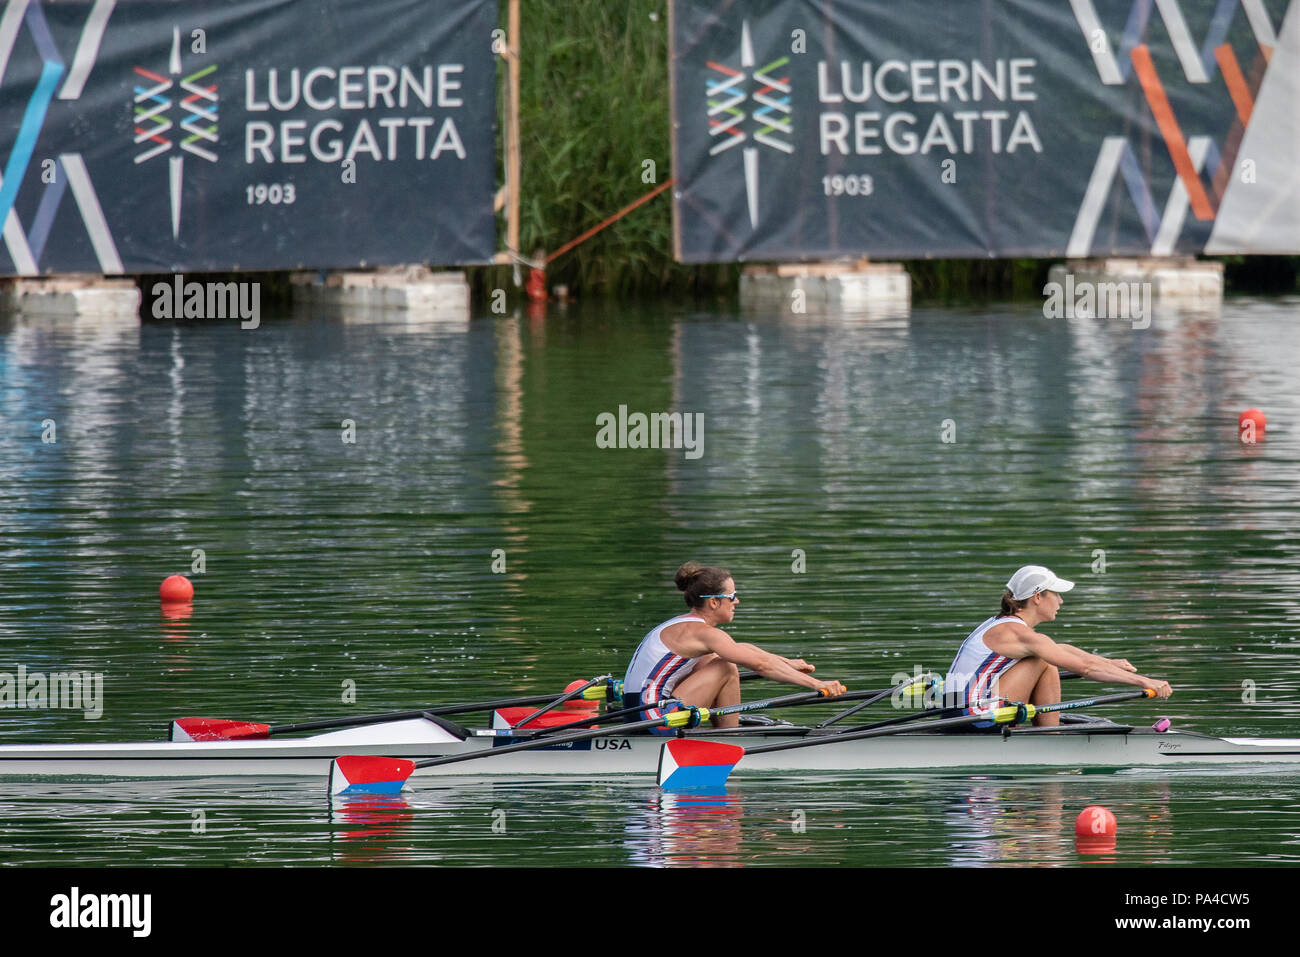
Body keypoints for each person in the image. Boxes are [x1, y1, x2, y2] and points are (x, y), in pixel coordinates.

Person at [624, 562, 846, 730]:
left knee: (714, 660)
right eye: (732, 596)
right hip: (653, 718)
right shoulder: (704, 633)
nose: (737, 602)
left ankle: (726, 731)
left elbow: (743, 648)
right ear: (713, 602)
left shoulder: (681, 625)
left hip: (637, 712)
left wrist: (788, 663)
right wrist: (817, 684)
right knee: (726, 667)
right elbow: (761, 665)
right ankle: (731, 739)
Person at [946, 565, 1173, 727]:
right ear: (1037, 597)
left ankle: (1047, 732)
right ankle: (1049, 737)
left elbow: (1061, 649)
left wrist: (1108, 663)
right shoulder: (1021, 634)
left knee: (1048, 655)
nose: (1061, 601)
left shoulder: (1001, 624)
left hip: (952, 711)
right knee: (1044, 660)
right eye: (1056, 594)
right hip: (972, 717)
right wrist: (1144, 682)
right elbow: (1085, 669)